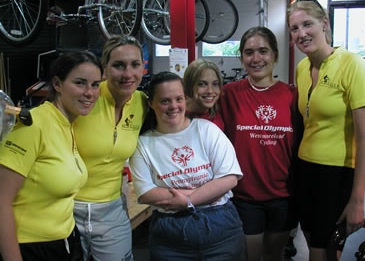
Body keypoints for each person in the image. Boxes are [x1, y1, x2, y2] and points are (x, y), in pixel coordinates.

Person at [287, 0, 365, 260]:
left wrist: (357, 200)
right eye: (294, 28)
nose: (301, 34)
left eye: (307, 24)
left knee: (323, 252)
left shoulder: (353, 65)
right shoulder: (302, 68)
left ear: (324, 23)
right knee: (313, 241)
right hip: (305, 169)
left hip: (336, 174)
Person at [129, 71, 246, 261]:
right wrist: (204, 193)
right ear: (151, 103)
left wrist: (187, 200)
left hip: (220, 225)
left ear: (185, 99)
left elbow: (229, 178)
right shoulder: (143, 143)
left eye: (178, 99)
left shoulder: (206, 130)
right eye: (165, 101)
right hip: (170, 232)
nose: (173, 106)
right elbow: (146, 192)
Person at [0, 51, 103, 261]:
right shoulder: (33, 125)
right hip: (30, 247)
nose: (89, 93)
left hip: (64, 240)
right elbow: (1, 201)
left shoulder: (67, 123)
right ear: (57, 83)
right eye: (80, 83)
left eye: (95, 85)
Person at [219, 26, 301, 261]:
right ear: (242, 57)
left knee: (274, 257)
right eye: (249, 52)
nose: (256, 59)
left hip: (283, 197)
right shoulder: (229, 94)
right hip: (245, 197)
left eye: (263, 51)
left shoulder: (292, 95)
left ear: (275, 55)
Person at [73, 35, 148, 261]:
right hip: (66, 208)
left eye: (135, 65)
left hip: (111, 210)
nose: (128, 74)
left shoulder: (143, 102)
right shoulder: (85, 98)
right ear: (104, 69)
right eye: (118, 65)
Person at [183, 58, 224, 130]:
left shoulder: (220, 110)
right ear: (189, 85)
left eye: (215, 84)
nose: (210, 91)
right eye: (202, 84)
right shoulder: (178, 114)